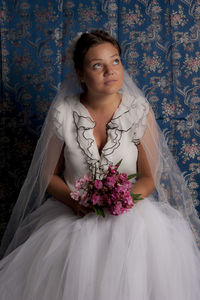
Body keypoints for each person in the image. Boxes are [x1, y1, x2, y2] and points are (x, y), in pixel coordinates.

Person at [0, 30, 200, 300]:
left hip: (132, 219)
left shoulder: (138, 110)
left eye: (115, 61)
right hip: (74, 217)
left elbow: (149, 177)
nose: (110, 71)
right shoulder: (64, 112)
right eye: (98, 65)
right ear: (80, 73)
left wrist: (123, 199)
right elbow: (48, 175)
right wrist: (75, 202)